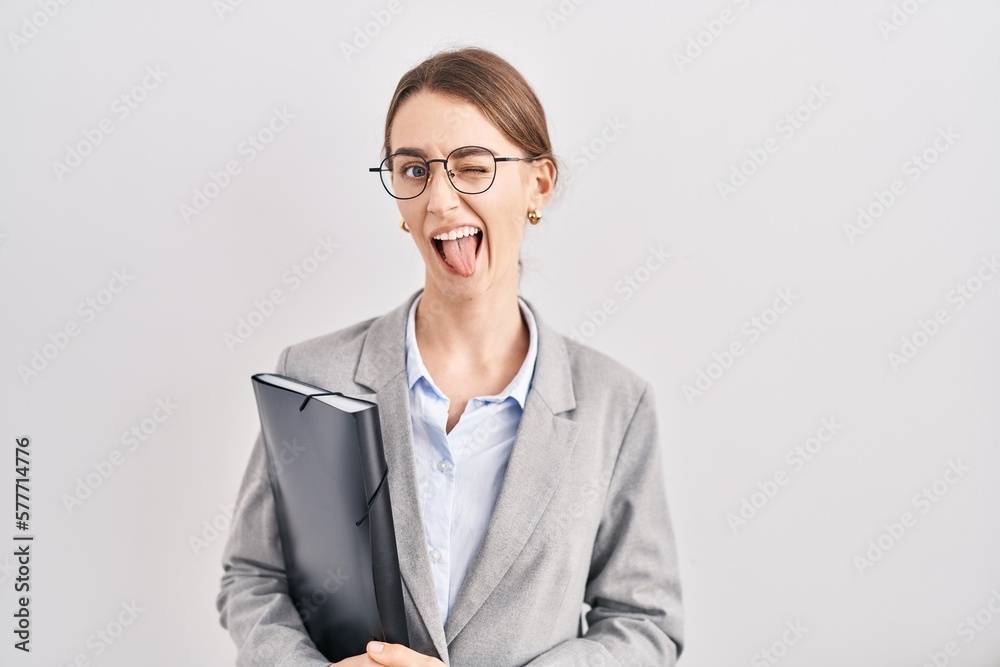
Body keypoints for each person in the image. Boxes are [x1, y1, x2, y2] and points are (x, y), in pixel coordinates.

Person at [216, 46, 684, 666]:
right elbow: (252, 578)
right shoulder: (313, 376)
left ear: (537, 184)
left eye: (472, 167)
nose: (439, 201)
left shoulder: (614, 405)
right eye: (414, 171)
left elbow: (644, 623)